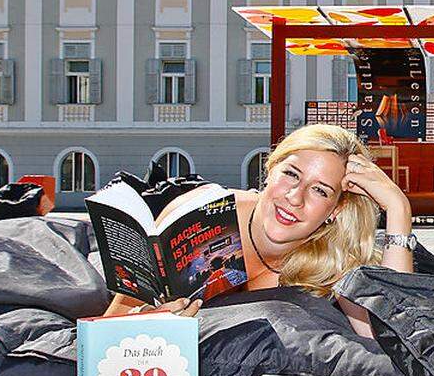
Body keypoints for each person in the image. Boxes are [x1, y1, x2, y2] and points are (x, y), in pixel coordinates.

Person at [102, 124, 415, 327]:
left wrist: (398, 209)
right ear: (270, 171)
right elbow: (109, 323)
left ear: (335, 210)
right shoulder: (201, 216)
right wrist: (145, 319)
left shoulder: (333, 256)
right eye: (291, 174)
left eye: (320, 190)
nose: (295, 197)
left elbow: (389, 339)